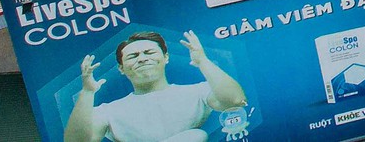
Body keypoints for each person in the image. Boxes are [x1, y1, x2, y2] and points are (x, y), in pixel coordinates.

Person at [64, 30, 247, 142]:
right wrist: (87, 92)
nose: (142, 58)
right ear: (121, 68)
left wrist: (203, 61)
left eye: (149, 52)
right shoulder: (109, 112)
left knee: (195, 137)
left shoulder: (197, 92)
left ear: (165, 57)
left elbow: (235, 101)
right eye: (133, 56)